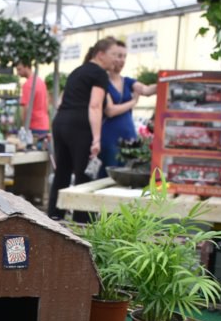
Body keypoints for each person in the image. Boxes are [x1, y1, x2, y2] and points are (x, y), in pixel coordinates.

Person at [47, 37, 117, 220]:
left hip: (61, 122)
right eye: (113, 54)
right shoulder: (100, 74)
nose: (116, 59)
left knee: (62, 172)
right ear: (100, 54)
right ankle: (82, 221)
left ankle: (54, 216)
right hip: (80, 126)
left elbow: (60, 102)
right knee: (83, 175)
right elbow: (95, 105)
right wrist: (96, 138)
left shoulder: (77, 71)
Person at [99, 39, 157, 171]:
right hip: (110, 137)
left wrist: (164, 82)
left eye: (124, 56)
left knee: (129, 171)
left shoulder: (128, 81)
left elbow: (146, 90)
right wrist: (133, 102)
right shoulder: (103, 81)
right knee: (110, 172)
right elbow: (110, 111)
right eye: (119, 56)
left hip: (129, 137)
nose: (122, 60)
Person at [16, 62, 50, 147]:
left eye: (19, 69)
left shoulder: (28, 85)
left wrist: (24, 127)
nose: (18, 73)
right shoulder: (41, 82)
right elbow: (47, 102)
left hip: (33, 126)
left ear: (27, 67)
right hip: (44, 124)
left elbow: (26, 108)